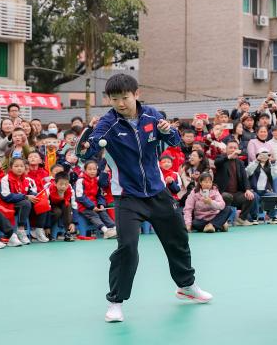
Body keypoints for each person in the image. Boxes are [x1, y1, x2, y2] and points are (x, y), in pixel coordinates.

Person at [81, 73, 211, 324]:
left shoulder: (152, 116)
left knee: (178, 238)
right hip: (127, 196)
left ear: (136, 94)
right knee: (127, 248)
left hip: (157, 191)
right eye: (114, 99)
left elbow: (176, 142)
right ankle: (116, 302)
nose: (120, 103)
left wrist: (168, 131)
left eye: (125, 97)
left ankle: (186, 286)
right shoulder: (107, 123)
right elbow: (90, 150)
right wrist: (88, 144)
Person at [75, 160, 117, 239]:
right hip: (83, 206)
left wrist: (101, 204)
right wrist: (92, 206)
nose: (92, 171)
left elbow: (99, 195)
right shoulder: (80, 180)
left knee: (103, 212)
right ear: (85, 170)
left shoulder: (96, 180)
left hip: (95, 205)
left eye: (94, 169)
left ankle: (115, 228)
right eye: (90, 169)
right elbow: (80, 196)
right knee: (93, 215)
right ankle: (106, 231)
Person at [246, 149, 277, 224]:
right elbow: (248, 171)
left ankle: (273, 216)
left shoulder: (270, 166)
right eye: (262, 154)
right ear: (258, 155)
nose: (264, 156)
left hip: (265, 191)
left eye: (266, 154)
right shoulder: (253, 164)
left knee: (275, 196)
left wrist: (274, 162)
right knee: (254, 196)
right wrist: (257, 160)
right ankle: (254, 217)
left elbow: (275, 175)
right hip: (254, 190)